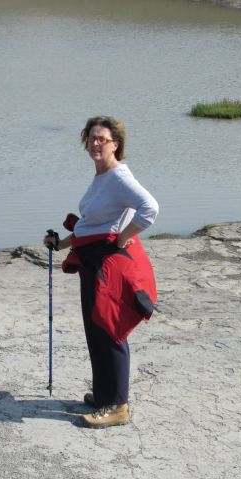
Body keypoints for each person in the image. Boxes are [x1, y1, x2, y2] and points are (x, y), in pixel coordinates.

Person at [44, 116, 159, 428]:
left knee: (109, 330)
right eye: (92, 138)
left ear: (115, 145)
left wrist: (124, 236)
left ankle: (118, 406)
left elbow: (150, 208)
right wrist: (61, 243)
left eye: (102, 139)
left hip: (108, 264)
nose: (95, 143)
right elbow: (92, 224)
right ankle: (104, 395)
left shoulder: (119, 176)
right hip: (92, 260)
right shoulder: (102, 176)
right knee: (95, 330)